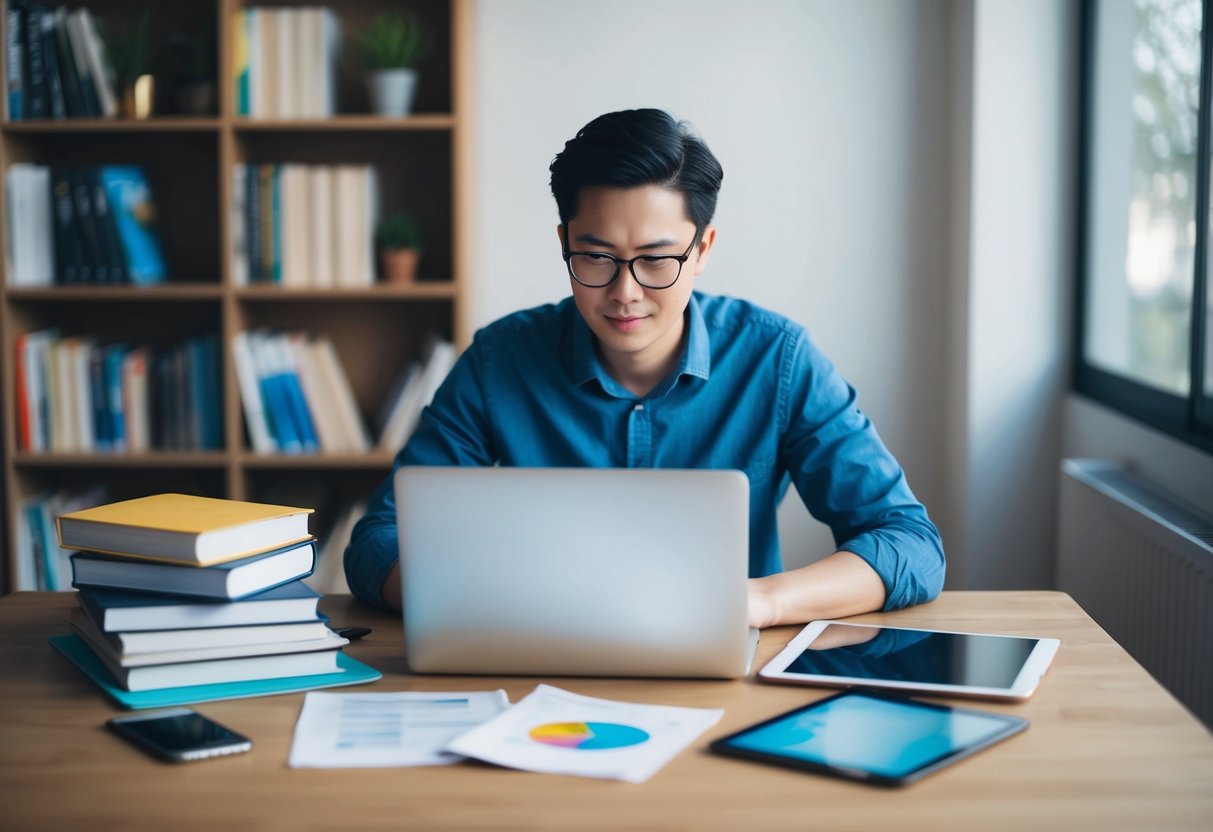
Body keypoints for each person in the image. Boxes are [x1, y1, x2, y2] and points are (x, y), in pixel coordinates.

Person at [345, 108, 945, 627]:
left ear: (702, 249)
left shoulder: (778, 359)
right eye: (596, 257)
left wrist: (758, 601)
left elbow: (910, 544)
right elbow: (378, 541)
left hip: (729, 672)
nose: (625, 293)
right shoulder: (500, 360)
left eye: (657, 260)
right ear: (564, 244)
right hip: (537, 664)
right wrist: (478, 602)